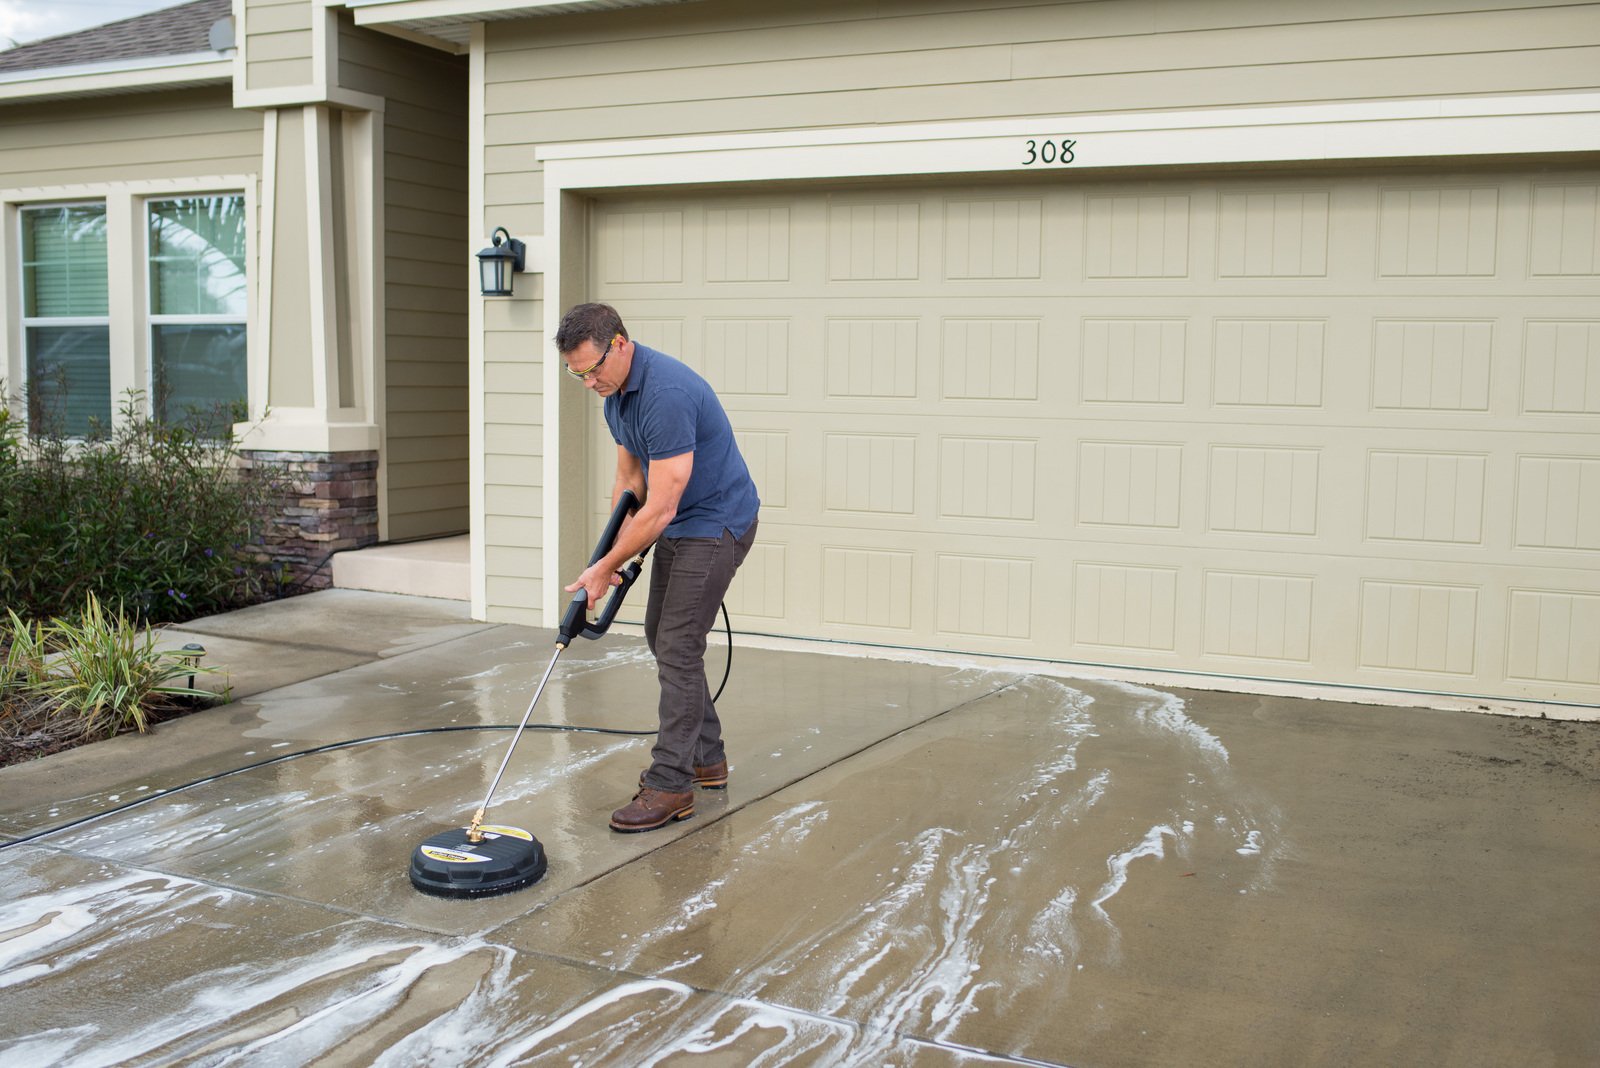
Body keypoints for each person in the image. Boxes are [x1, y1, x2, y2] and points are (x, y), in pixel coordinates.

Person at [556, 303, 760, 833]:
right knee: (662, 635)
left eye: (593, 367)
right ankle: (707, 759)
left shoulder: (665, 394)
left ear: (619, 343)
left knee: (676, 643)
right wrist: (610, 557)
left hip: (715, 523)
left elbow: (664, 504)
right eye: (576, 373)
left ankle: (671, 785)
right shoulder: (615, 398)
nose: (587, 381)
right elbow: (630, 486)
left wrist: (607, 566)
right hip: (676, 523)